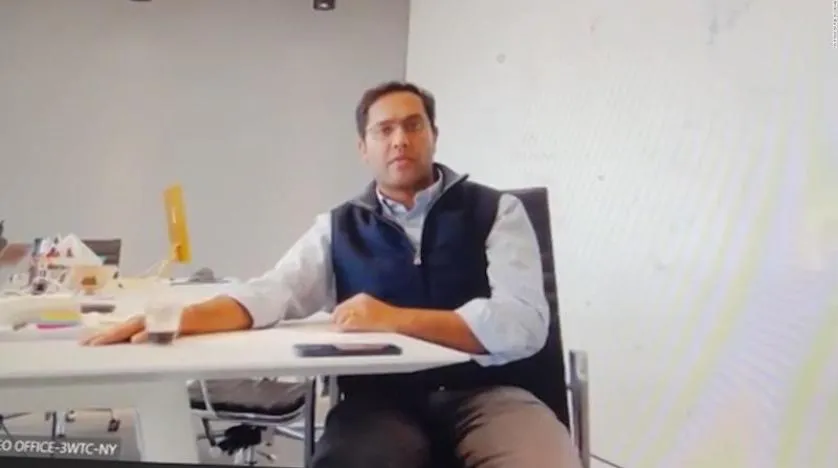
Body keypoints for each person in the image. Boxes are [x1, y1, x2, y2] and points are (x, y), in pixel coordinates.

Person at [82, 81, 582, 468]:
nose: (400, 140)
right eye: (384, 130)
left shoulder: (496, 211)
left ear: (434, 134)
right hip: (380, 403)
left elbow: (522, 323)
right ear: (363, 147)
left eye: (413, 125)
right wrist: (178, 319)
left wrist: (393, 318)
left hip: (490, 396)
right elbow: (273, 292)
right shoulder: (338, 226)